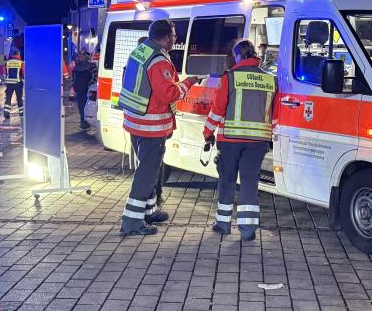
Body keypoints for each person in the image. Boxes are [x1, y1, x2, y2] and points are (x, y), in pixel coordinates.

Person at [118, 20, 199, 236]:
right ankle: (132, 221)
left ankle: (149, 211)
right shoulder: (158, 59)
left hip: (136, 122)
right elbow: (169, 94)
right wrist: (188, 83)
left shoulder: (141, 51)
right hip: (151, 126)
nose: (176, 39)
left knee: (149, 169)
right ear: (165, 38)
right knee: (147, 172)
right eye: (173, 35)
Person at [203, 39, 276, 241]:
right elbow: (274, 114)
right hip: (258, 142)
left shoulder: (230, 77)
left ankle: (223, 224)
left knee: (227, 181)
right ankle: (248, 230)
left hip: (230, 140)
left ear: (237, 55)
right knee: (249, 183)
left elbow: (217, 110)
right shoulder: (270, 80)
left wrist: (207, 133)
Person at [72, 51, 96, 130]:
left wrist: (88, 85)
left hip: (87, 90)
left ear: (85, 57)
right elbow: (73, 78)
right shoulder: (76, 67)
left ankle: (85, 122)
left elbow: (94, 77)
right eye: (78, 56)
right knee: (81, 106)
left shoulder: (91, 66)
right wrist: (74, 86)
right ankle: (83, 122)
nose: (79, 57)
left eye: (81, 56)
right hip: (80, 90)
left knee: (85, 106)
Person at [3, 50, 25, 119]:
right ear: (18, 55)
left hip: (9, 83)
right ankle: (21, 114)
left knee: (8, 98)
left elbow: (5, 72)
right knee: (19, 99)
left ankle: (6, 113)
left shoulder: (7, 62)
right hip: (17, 83)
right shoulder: (21, 62)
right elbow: (23, 73)